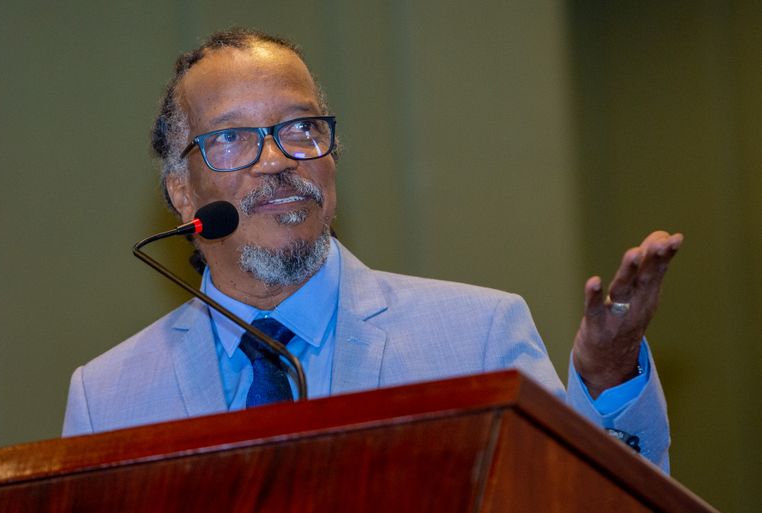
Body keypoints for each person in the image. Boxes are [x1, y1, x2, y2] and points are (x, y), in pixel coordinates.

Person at [62, 29, 682, 472]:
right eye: (232, 138)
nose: (277, 161)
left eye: (301, 128)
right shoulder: (109, 395)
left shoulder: (478, 337)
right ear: (180, 191)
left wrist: (608, 375)